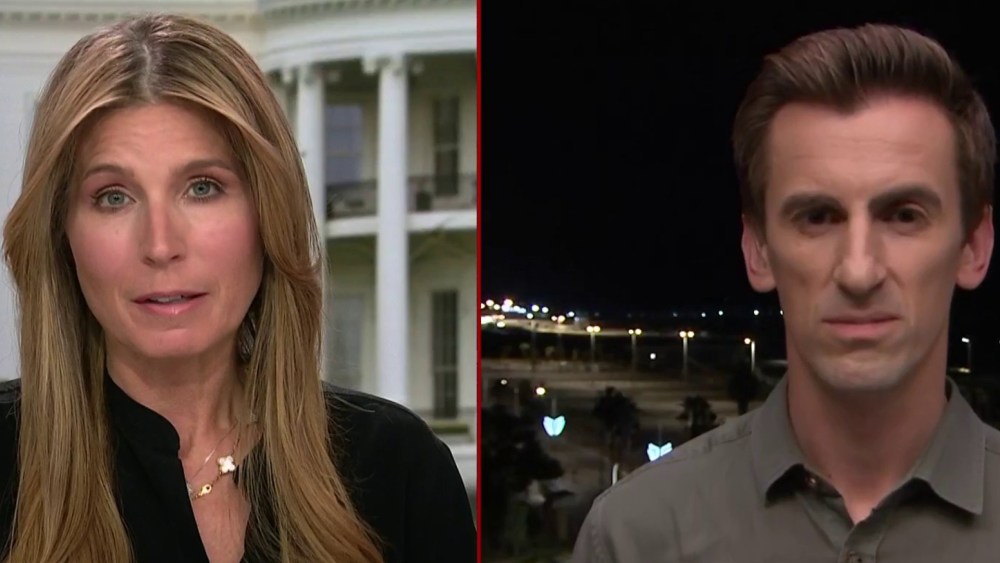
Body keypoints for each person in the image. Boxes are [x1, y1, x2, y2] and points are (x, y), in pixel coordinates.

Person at [0, 13, 475, 563]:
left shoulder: (398, 468)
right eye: (113, 197)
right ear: (62, 233)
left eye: (203, 188)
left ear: (267, 213)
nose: (160, 244)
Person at [572, 23, 999, 562]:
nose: (859, 271)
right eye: (817, 217)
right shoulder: (636, 537)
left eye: (904, 216)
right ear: (757, 249)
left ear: (973, 246)